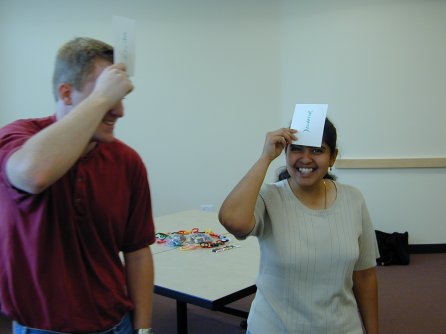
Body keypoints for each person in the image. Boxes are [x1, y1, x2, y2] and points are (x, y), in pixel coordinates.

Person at [0, 37, 155, 334]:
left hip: (114, 323)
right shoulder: (17, 137)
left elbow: (137, 251)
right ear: (66, 94)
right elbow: (33, 175)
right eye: (109, 96)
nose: (119, 111)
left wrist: (144, 329)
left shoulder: (127, 161)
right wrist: (101, 99)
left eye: (120, 98)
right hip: (41, 328)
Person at [219, 118, 379, 334]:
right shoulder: (269, 197)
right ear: (285, 153)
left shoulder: (353, 199)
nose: (305, 159)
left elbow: (365, 276)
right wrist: (265, 157)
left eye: (317, 150)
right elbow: (232, 220)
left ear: (332, 157)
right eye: (296, 149)